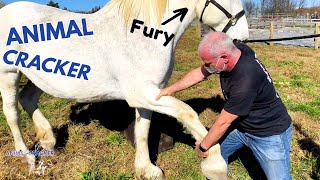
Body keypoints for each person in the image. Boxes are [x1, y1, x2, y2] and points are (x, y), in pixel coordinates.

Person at [155, 32, 293, 180]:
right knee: (216, 156)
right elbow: (201, 73)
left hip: (269, 133)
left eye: (209, 63)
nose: (207, 67)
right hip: (241, 127)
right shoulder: (236, 49)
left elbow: (223, 122)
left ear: (224, 58)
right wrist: (170, 89)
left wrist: (203, 146)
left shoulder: (245, 81)